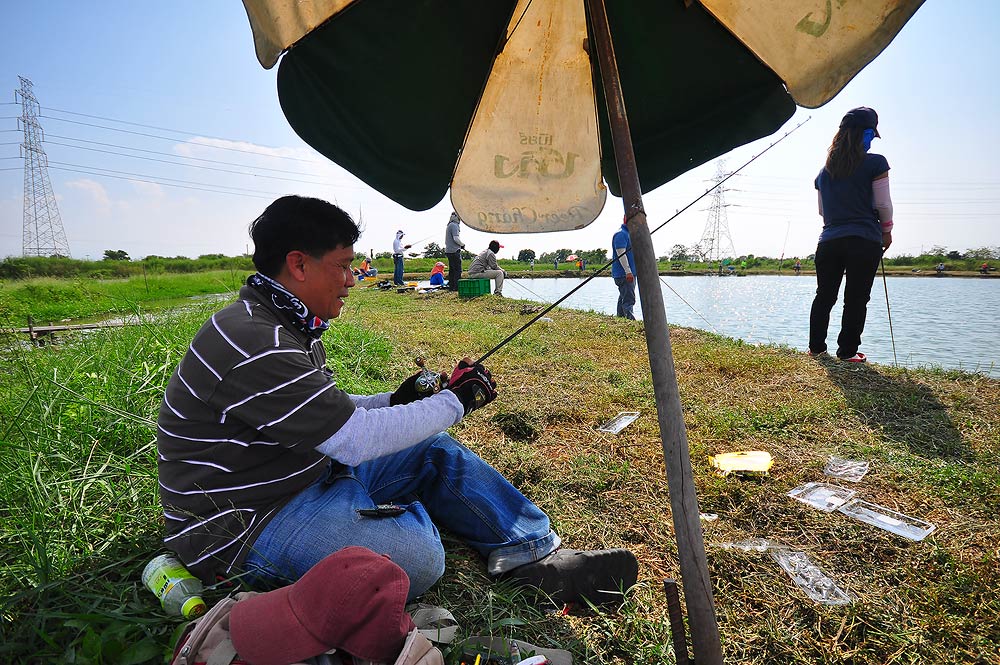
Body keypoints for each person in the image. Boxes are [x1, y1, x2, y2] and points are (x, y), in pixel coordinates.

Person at [156, 195, 637, 608]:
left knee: (432, 448)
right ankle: (376, 514)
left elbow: (326, 410)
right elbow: (352, 440)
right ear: (298, 264)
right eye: (343, 267)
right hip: (245, 525)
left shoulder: (284, 322)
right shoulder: (255, 339)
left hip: (301, 474)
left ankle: (533, 554)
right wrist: (457, 400)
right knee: (419, 558)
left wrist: (395, 399)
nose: (352, 279)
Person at [808, 107, 893, 363]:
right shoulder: (875, 163)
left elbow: (823, 212)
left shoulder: (823, 174)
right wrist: (887, 231)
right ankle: (847, 352)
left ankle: (816, 348)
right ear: (867, 134)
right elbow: (883, 204)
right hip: (864, 240)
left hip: (829, 241)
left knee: (825, 295)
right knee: (856, 298)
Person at [611, 220, 637, 319]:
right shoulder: (621, 234)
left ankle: (620, 318)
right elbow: (621, 254)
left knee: (623, 296)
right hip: (624, 274)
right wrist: (628, 272)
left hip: (628, 273)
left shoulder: (628, 234)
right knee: (629, 299)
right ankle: (630, 320)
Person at [444, 211, 465, 291]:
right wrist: (462, 244)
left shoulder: (449, 225)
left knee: (452, 270)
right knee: (458, 270)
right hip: (454, 251)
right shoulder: (454, 225)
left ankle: (451, 286)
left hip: (449, 251)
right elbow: (456, 238)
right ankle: (456, 287)